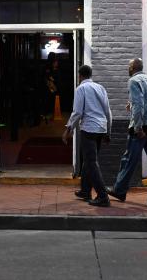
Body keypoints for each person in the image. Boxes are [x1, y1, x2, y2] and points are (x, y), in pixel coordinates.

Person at [107, 58, 147, 208]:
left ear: (133, 68)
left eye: (129, 66)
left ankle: (120, 190)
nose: (128, 68)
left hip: (141, 127)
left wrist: (138, 128)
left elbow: (139, 105)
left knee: (129, 159)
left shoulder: (134, 81)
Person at [62, 64, 112, 207]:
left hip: (89, 128)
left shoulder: (81, 89)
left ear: (80, 76)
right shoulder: (100, 88)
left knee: (91, 162)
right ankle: (85, 190)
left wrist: (68, 129)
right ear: (90, 75)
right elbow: (108, 111)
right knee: (88, 160)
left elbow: (77, 111)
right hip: (101, 128)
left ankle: (103, 196)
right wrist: (108, 131)